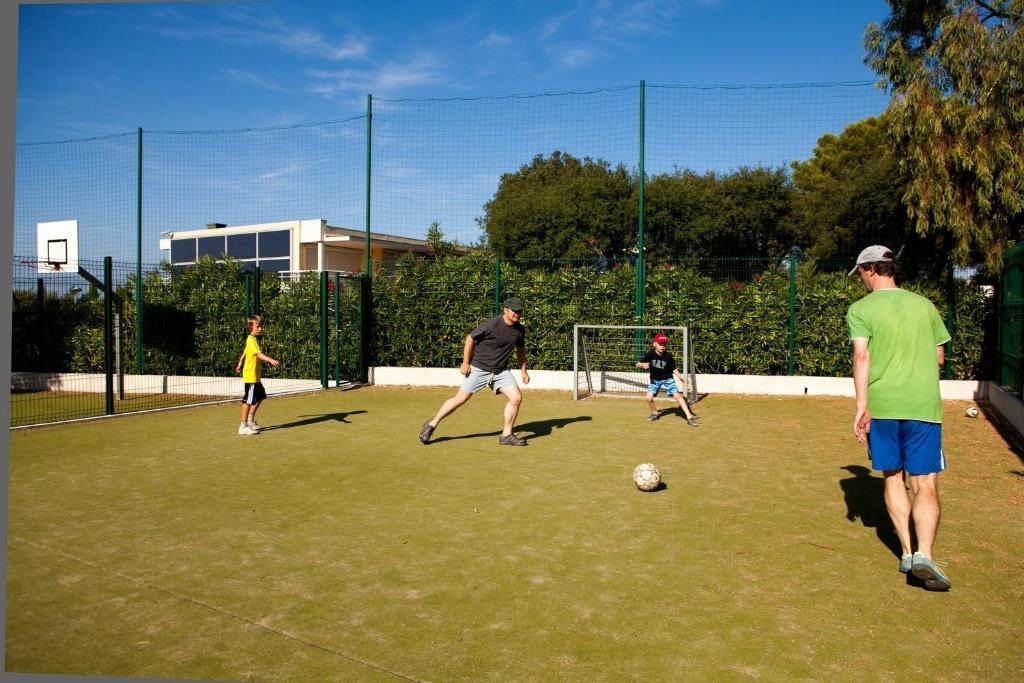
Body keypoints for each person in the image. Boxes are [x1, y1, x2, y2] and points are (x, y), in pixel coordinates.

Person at [846, 245, 952, 590]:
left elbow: (862, 357)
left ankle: (906, 553)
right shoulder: (925, 306)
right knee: (925, 482)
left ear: (871, 270)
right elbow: (939, 357)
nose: (861, 279)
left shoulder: (860, 309)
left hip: (883, 405)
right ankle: (924, 554)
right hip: (923, 405)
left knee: (893, 477)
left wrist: (861, 405)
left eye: (861, 273)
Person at [419, 297, 530, 446]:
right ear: (505, 310)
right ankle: (431, 424)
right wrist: (466, 363)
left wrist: (524, 371)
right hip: (480, 368)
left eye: (520, 311)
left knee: (516, 398)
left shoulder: (519, 330)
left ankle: (506, 435)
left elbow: (520, 351)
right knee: (460, 399)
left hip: (500, 371)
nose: (518, 313)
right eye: (514, 310)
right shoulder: (491, 324)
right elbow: (470, 338)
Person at [636, 332, 699, 426]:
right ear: (654, 344)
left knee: (678, 396)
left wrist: (680, 376)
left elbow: (673, 368)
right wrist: (642, 365)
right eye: (660, 344)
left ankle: (689, 418)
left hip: (668, 378)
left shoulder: (668, 356)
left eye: (664, 344)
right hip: (655, 380)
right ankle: (655, 413)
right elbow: (637, 364)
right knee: (649, 397)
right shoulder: (650, 355)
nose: (662, 346)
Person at [235, 314, 280, 436]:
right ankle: (243, 426)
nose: (260, 329)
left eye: (261, 326)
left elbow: (246, 350)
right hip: (251, 376)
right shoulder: (251, 339)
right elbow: (258, 354)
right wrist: (270, 360)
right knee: (247, 401)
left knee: (260, 396)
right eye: (258, 326)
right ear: (251, 326)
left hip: (255, 377)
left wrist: (240, 361)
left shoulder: (252, 340)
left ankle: (250, 420)